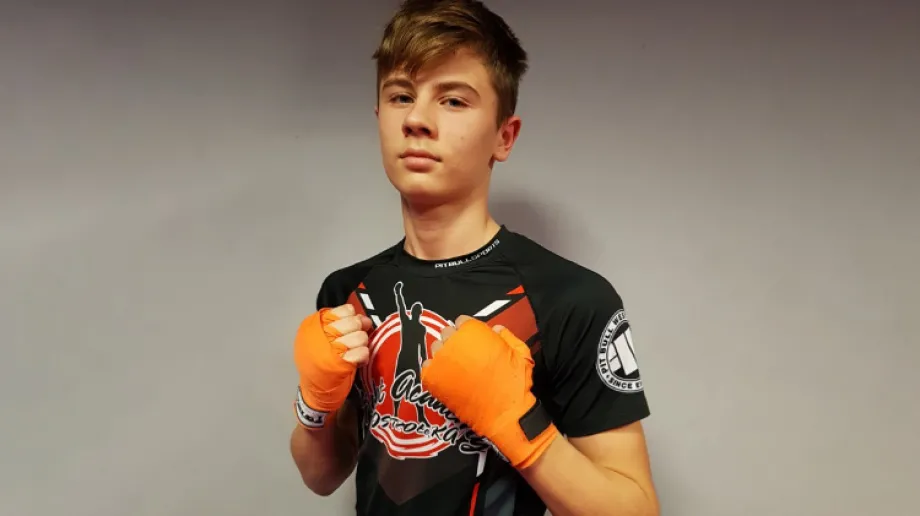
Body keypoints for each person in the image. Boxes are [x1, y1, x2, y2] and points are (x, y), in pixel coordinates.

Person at [289, 1, 659, 514]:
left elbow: (636, 508)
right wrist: (314, 405)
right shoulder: (347, 294)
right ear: (379, 118)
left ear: (504, 137)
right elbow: (321, 476)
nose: (416, 120)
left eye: (453, 101)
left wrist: (518, 423)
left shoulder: (570, 298)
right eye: (400, 96)